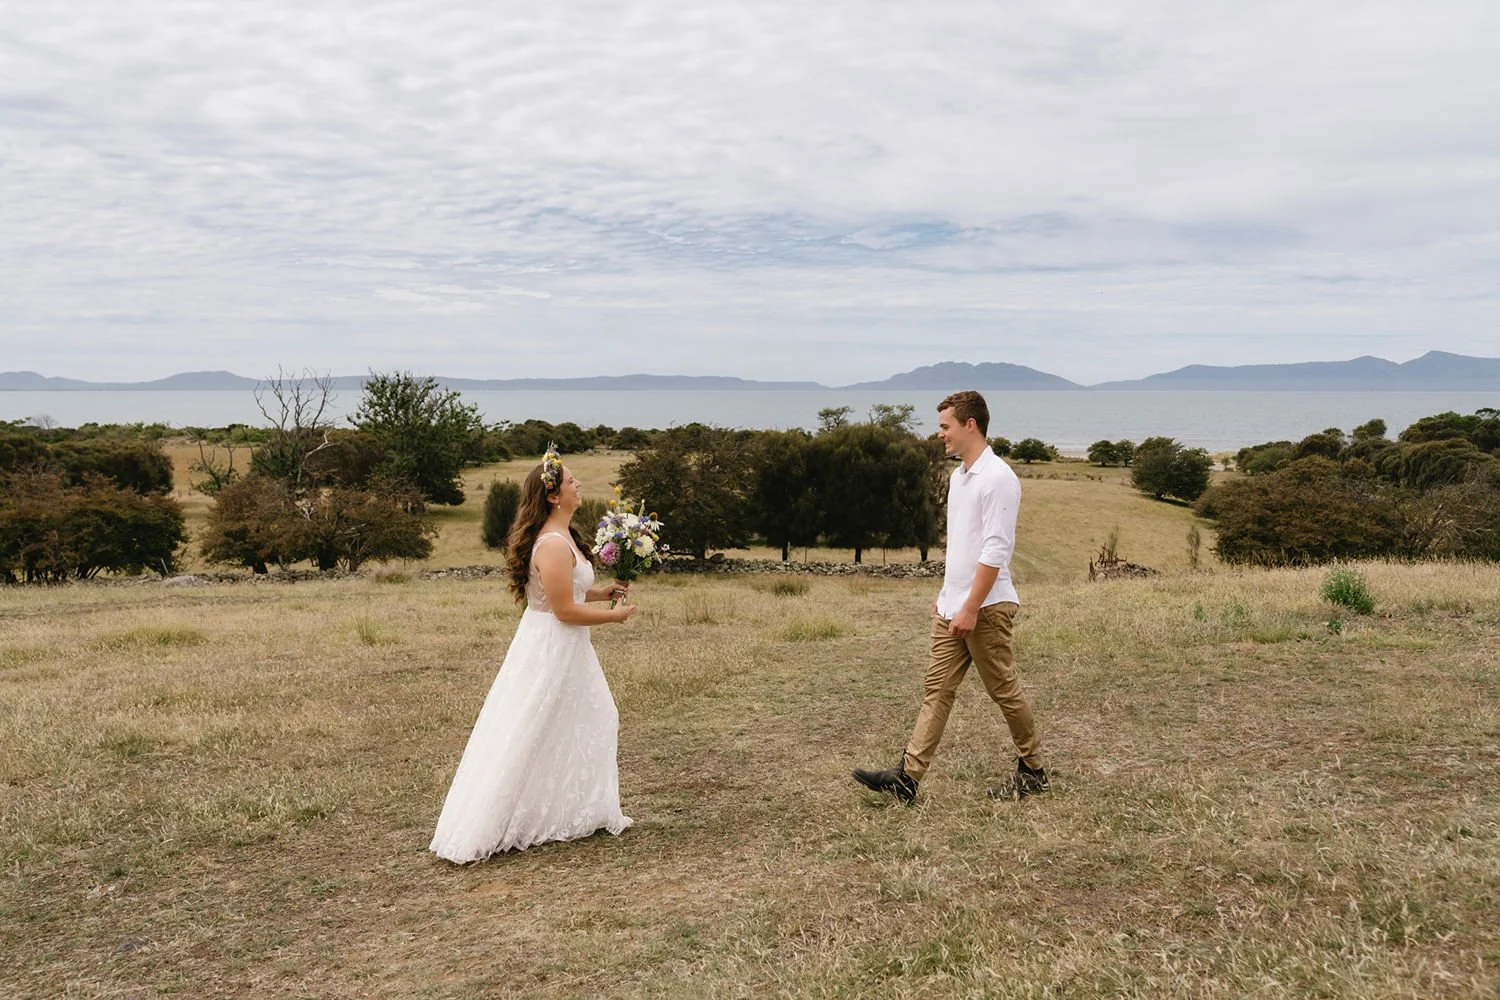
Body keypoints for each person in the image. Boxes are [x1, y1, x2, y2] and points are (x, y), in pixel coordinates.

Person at [430, 445, 636, 863]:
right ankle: (525, 815)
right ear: (554, 496)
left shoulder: (561, 539)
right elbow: (561, 610)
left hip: (561, 643)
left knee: (576, 719)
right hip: (552, 646)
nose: (578, 485)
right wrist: (613, 618)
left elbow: (562, 593)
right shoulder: (554, 545)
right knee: (543, 724)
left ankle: (575, 809)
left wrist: (600, 593)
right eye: (571, 482)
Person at [852, 390, 1048, 803]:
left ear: (969, 425)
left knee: (1004, 690)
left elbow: (996, 549)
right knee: (936, 690)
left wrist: (971, 606)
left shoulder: (997, 478)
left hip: (987, 608)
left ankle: (1032, 771)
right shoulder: (960, 477)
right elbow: (962, 546)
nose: (940, 433)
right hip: (953, 606)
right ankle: (907, 778)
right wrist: (947, 598)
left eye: (945, 426)